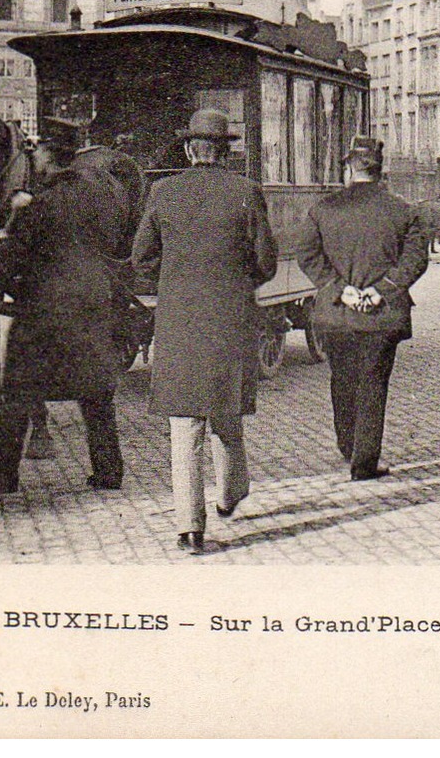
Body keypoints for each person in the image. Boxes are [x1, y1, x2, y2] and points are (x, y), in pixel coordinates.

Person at [131, 110, 278, 553]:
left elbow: (141, 259)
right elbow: (266, 263)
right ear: (226, 150)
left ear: (188, 148)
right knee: (226, 413)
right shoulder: (246, 192)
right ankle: (231, 495)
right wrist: (236, 283)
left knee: (184, 426)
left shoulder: (163, 191)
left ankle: (189, 529)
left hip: (179, 322)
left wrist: (174, 283)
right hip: (230, 320)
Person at [0, 118, 129, 495]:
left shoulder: (38, 205)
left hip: (45, 313)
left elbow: (9, 264)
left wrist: (3, 233)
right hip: (92, 305)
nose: (34, 156)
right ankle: (109, 472)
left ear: (49, 156)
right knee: (97, 393)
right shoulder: (99, 197)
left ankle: (2, 475)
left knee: (17, 392)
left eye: (38, 150)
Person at [299, 135, 431, 482]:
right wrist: (381, 290)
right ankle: (364, 461)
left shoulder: (323, 209)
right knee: (374, 382)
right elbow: (416, 259)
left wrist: (341, 291)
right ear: (380, 168)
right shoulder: (403, 210)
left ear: (348, 168)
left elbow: (308, 256)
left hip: (337, 314)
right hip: (382, 314)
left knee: (342, 379)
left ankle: (348, 446)